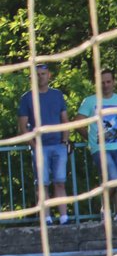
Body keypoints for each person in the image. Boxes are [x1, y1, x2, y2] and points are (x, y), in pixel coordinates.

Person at [75, 69, 117, 222]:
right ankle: (105, 208)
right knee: (112, 177)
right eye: (102, 82)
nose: (105, 85)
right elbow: (78, 122)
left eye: (108, 81)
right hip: (99, 148)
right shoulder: (90, 101)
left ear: (113, 82)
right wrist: (90, 138)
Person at [17, 63, 71, 225]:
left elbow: (65, 120)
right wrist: (34, 146)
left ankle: (64, 217)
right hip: (40, 147)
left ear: (49, 76)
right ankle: (46, 217)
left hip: (58, 145)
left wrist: (65, 141)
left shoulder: (57, 95)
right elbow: (22, 126)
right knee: (42, 184)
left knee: (60, 181)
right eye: (37, 74)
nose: (40, 77)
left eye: (43, 74)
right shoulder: (27, 98)